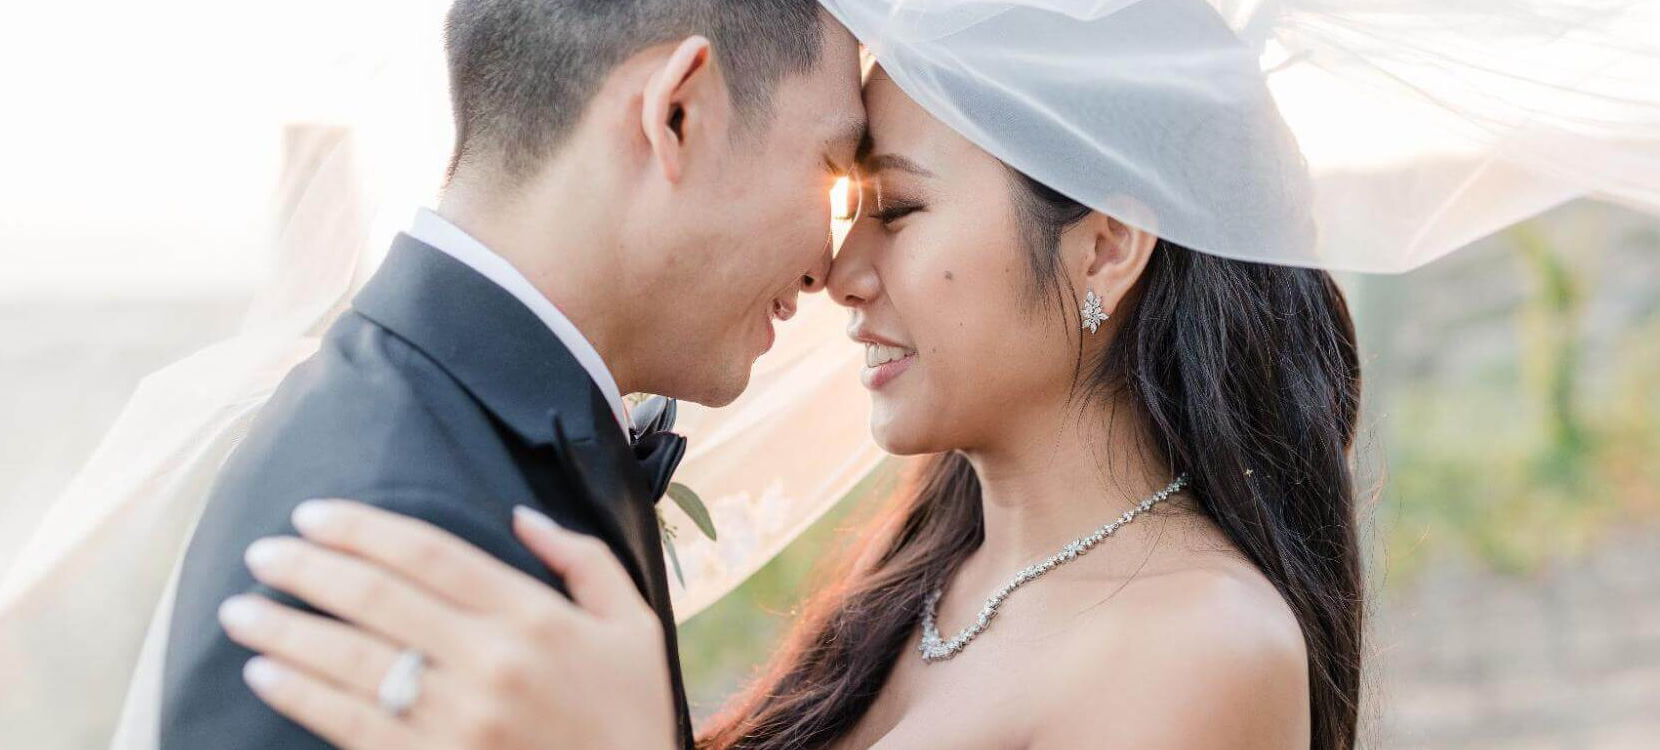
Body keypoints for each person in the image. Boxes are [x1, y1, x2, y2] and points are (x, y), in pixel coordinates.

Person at [217, 31, 1367, 750]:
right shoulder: (913, 581)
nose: (840, 270)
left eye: (897, 209)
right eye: (846, 208)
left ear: (1105, 245)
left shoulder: (1205, 647)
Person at [156, 2, 865, 749]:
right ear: (676, 114)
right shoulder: (413, 535)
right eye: (831, 169)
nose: (826, 267)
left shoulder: (420, 409)